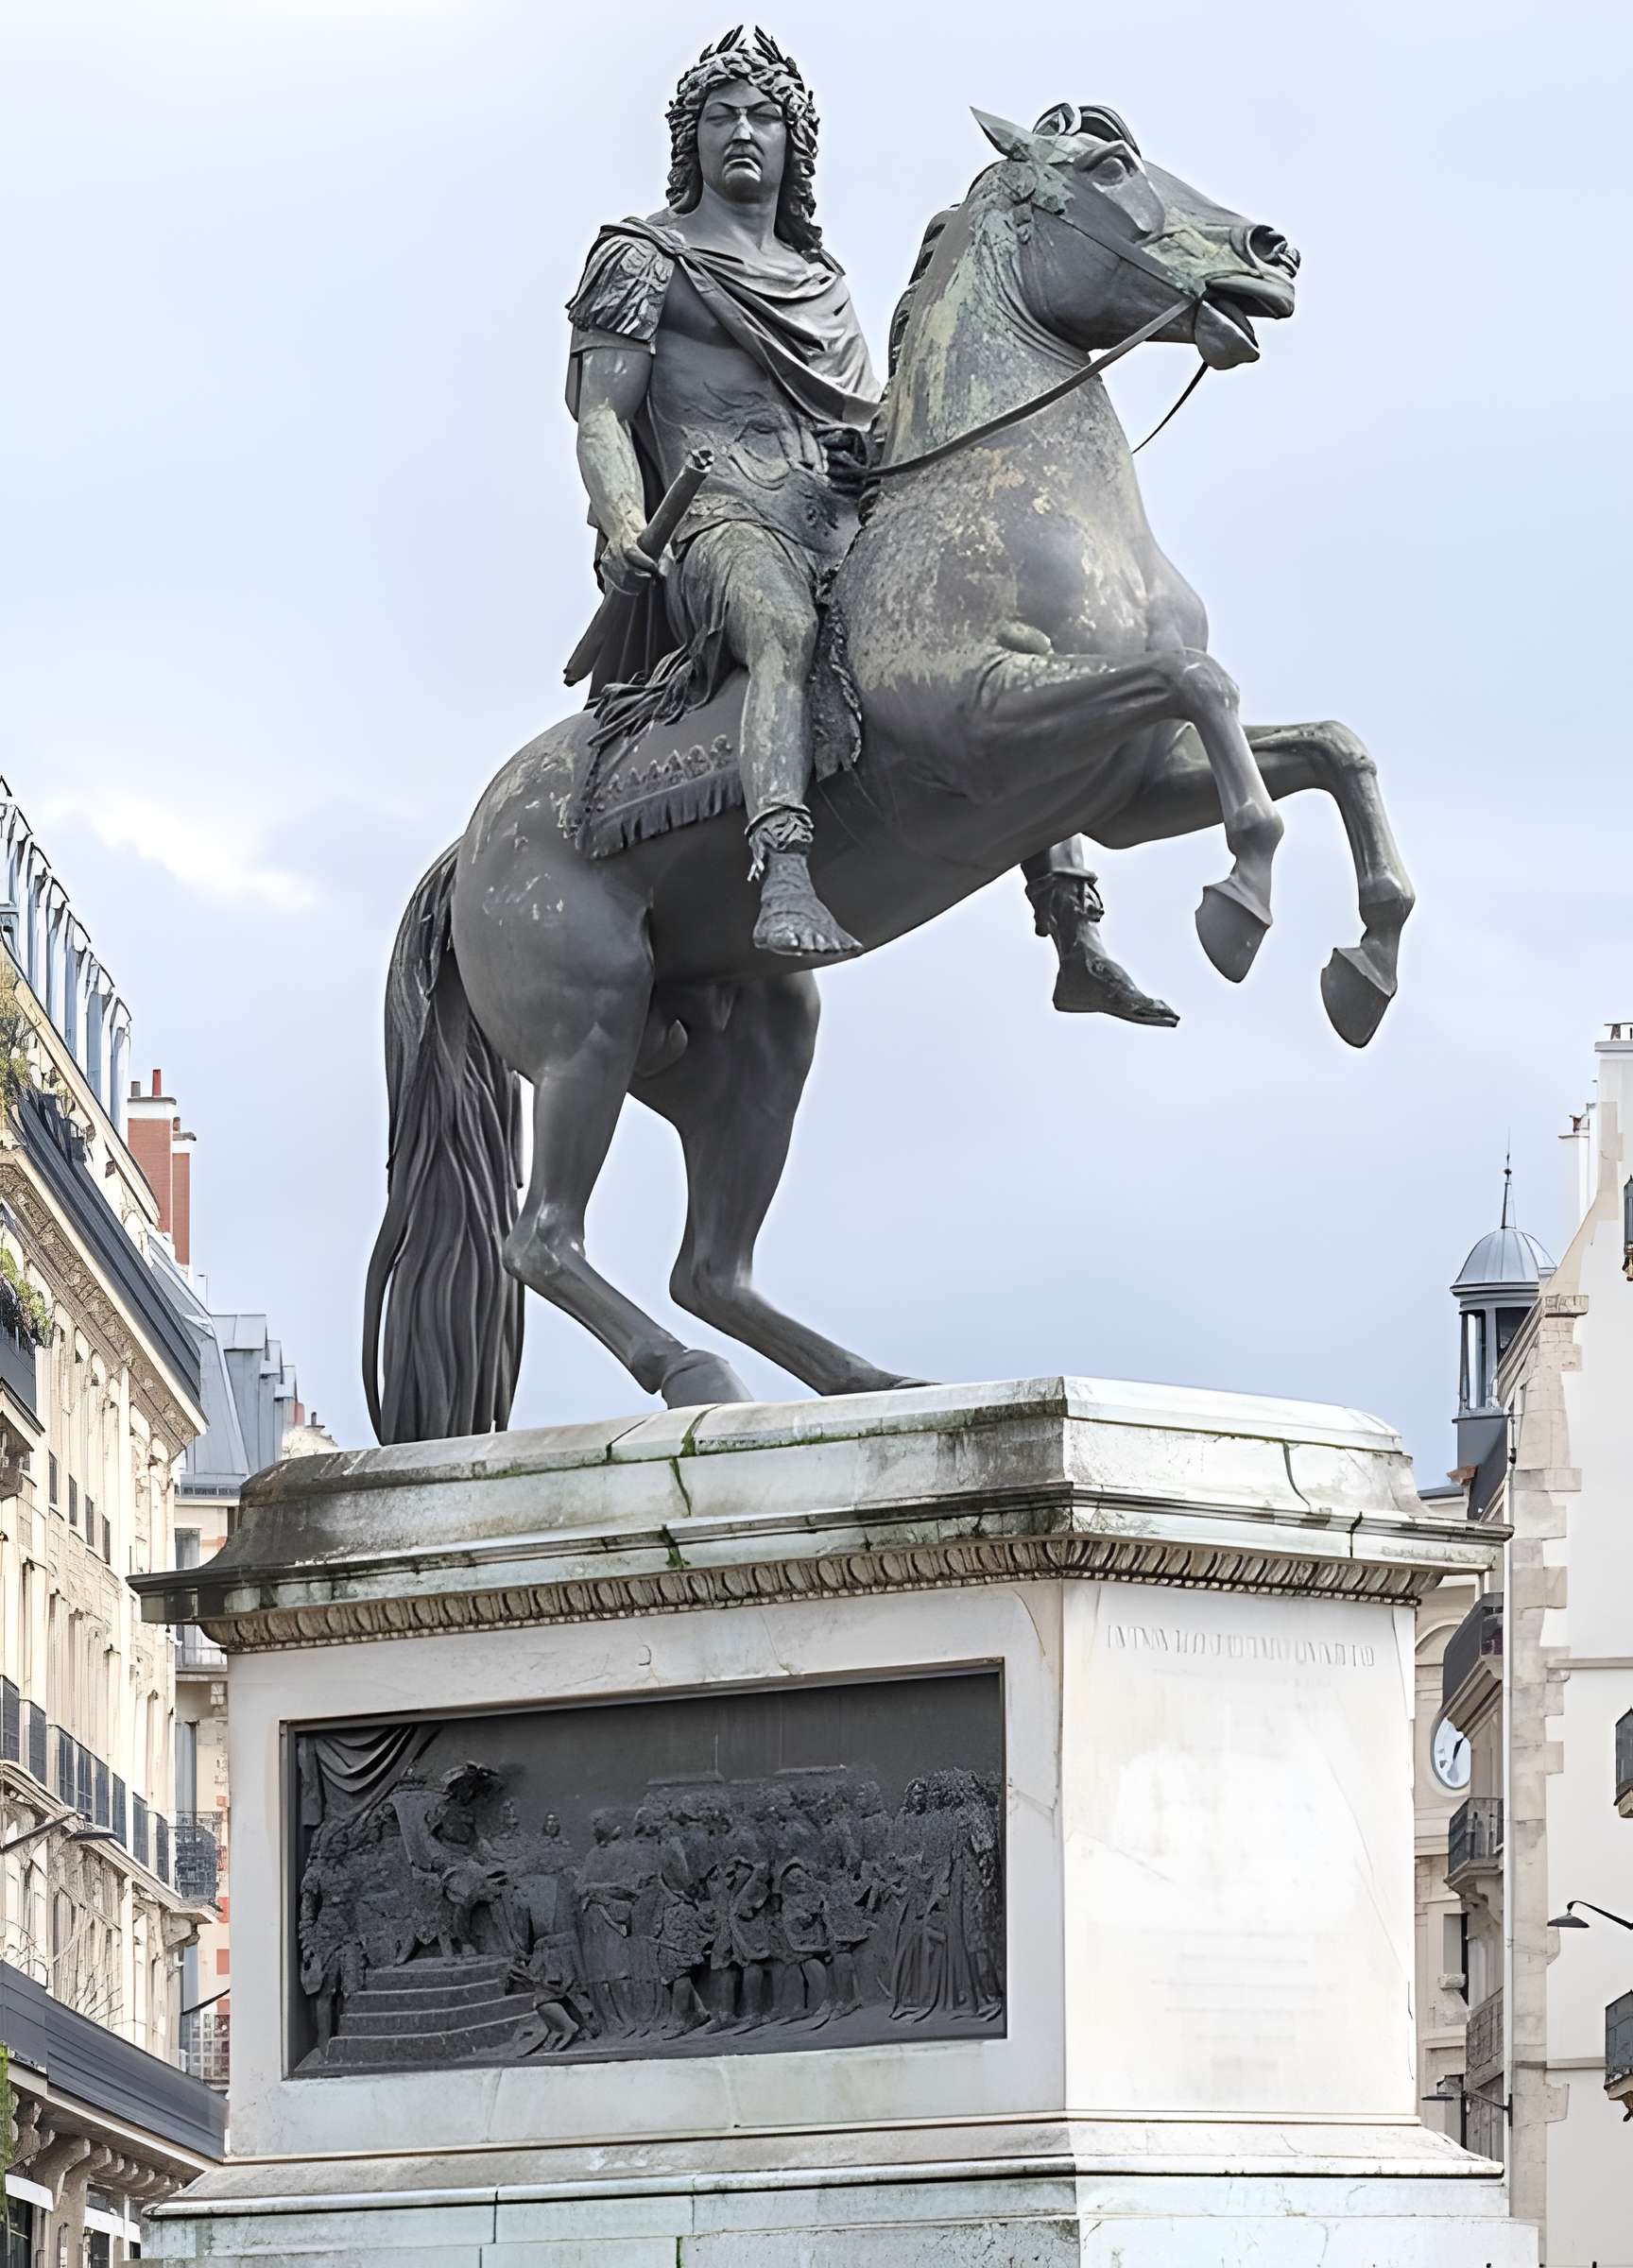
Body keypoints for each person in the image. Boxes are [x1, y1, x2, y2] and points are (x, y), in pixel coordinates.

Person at [567, 27, 1172, 1022]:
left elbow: (856, 416)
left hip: (831, 508)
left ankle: (1075, 928)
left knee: (988, 637)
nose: (744, 133)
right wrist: (626, 516)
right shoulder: (645, 258)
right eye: (721, 117)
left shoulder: (823, 281)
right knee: (782, 629)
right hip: (720, 511)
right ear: (692, 140)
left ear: (794, 143)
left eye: (764, 116)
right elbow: (601, 412)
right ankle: (785, 867)